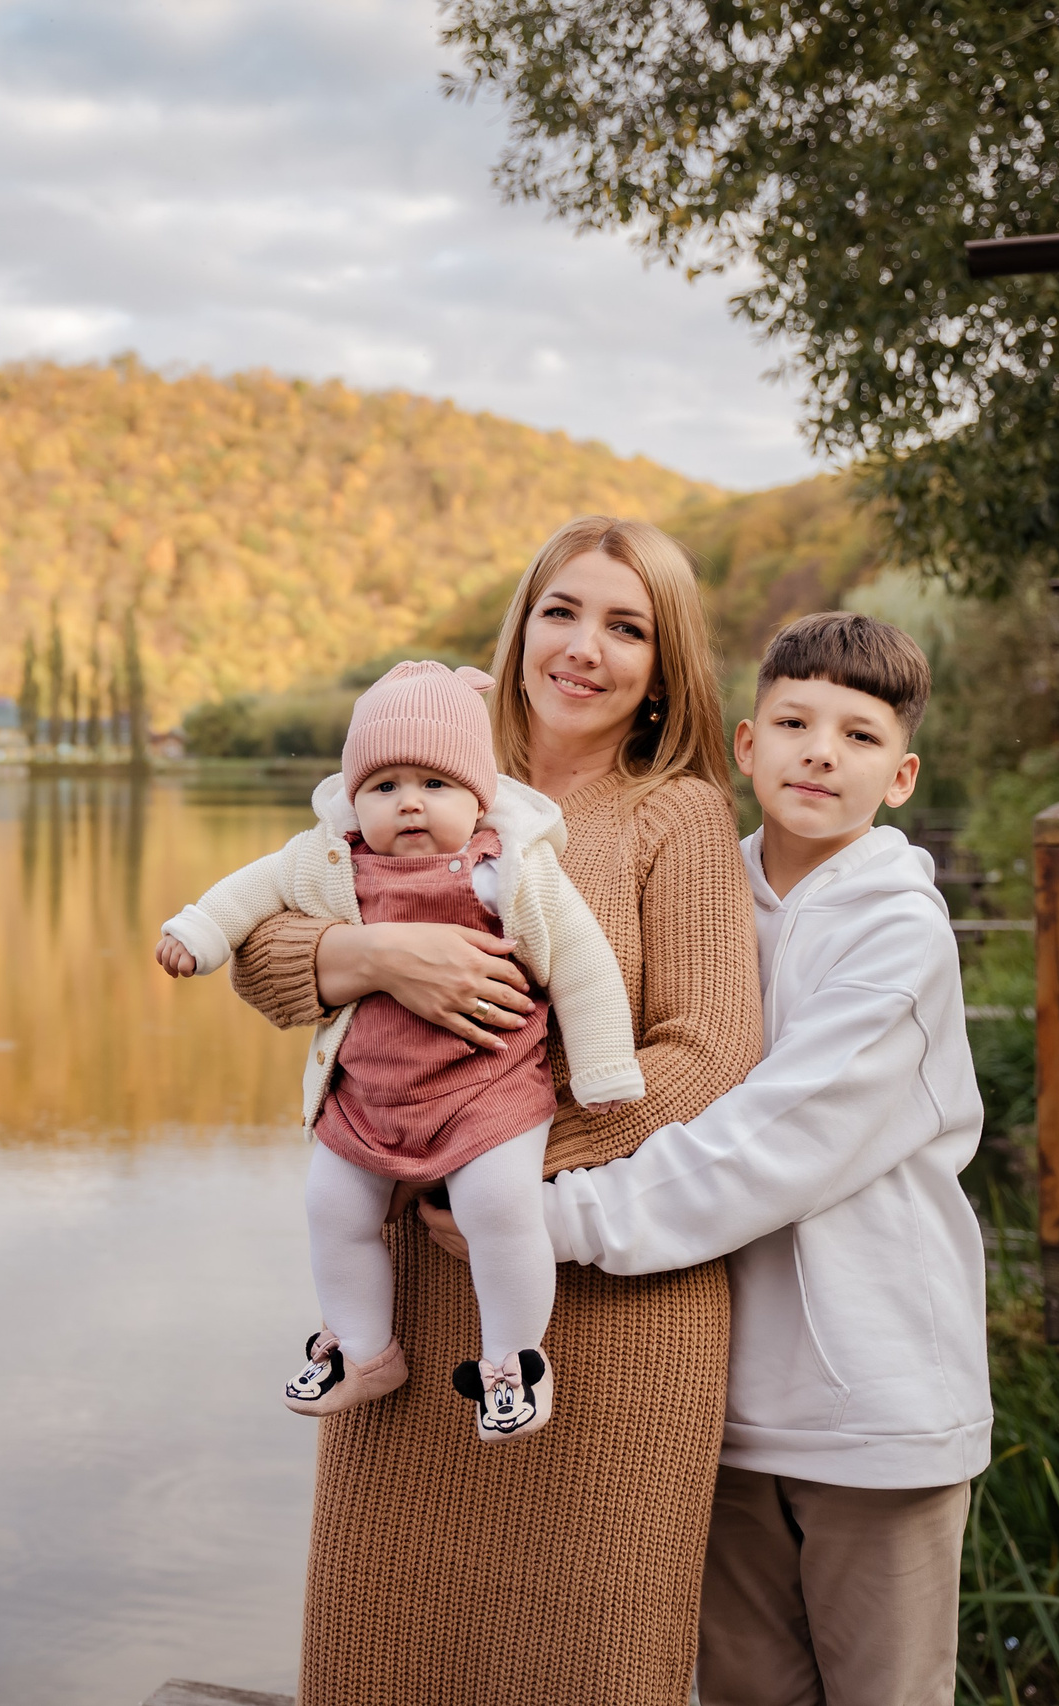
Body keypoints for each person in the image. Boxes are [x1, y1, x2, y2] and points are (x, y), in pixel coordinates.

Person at [229, 516, 763, 1706]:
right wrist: (376, 954)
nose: (585, 647)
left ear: (664, 665)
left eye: (626, 626)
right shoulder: (427, 766)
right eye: (563, 610)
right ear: (522, 623)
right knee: (387, 1651)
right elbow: (263, 952)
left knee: (588, 1663)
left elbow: (709, 1051)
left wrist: (504, 1150)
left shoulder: (673, 815)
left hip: (611, 1308)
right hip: (417, 1298)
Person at [431, 610, 990, 1703]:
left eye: (859, 735)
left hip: (875, 1406)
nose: (820, 750)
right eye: (792, 720)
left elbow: (772, 1144)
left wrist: (545, 1219)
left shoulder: (898, 932)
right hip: (720, 1402)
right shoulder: (700, 888)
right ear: (744, 745)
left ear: (902, 774)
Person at [156, 660, 643, 1441]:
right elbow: (246, 894)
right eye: (383, 787)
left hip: (486, 1093)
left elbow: (581, 959)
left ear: (478, 796)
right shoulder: (327, 863)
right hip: (370, 1100)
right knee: (332, 1207)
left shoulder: (504, 871)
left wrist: (603, 1064)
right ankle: (362, 1347)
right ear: (353, 800)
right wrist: (197, 934)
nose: (409, 802)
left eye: (434, 784)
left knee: (500, 1207)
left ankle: (513, 1360)